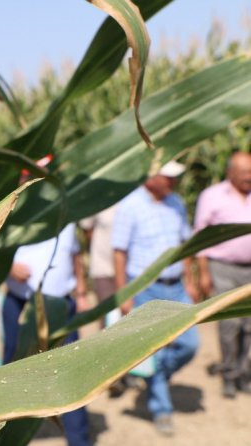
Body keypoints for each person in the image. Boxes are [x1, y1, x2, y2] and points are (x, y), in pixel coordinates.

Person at [112, 160, 199, 437]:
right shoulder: (130, 205)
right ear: (150, 176)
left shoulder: (177, 203)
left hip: (177, 287)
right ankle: (162, 408)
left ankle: (151, 375)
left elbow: (184, 246)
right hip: (145, 288)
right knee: (154, 348)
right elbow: (119, 252)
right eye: (168, 176)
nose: (173, 182)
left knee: (190, 344)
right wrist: (123, 292)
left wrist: (191, 280)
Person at [4, 223, 90, 446]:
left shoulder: (67, 216)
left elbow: (75, 255)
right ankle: (7, 437)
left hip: (62, 306)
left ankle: (79, 439)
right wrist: (9, 267)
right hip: (20, 304)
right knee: (11, 374)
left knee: (72, 375)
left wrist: (81, 291)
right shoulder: (17, 216)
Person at [194, 151, 251, 399]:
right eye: (244, 173)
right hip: (223, 268)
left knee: (250, 326)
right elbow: (200, 237)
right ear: (230, 173)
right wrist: (203, 274)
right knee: (229, 324)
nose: (249, 177)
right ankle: (228, 374)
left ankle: (243, 373)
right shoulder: (212, 196)